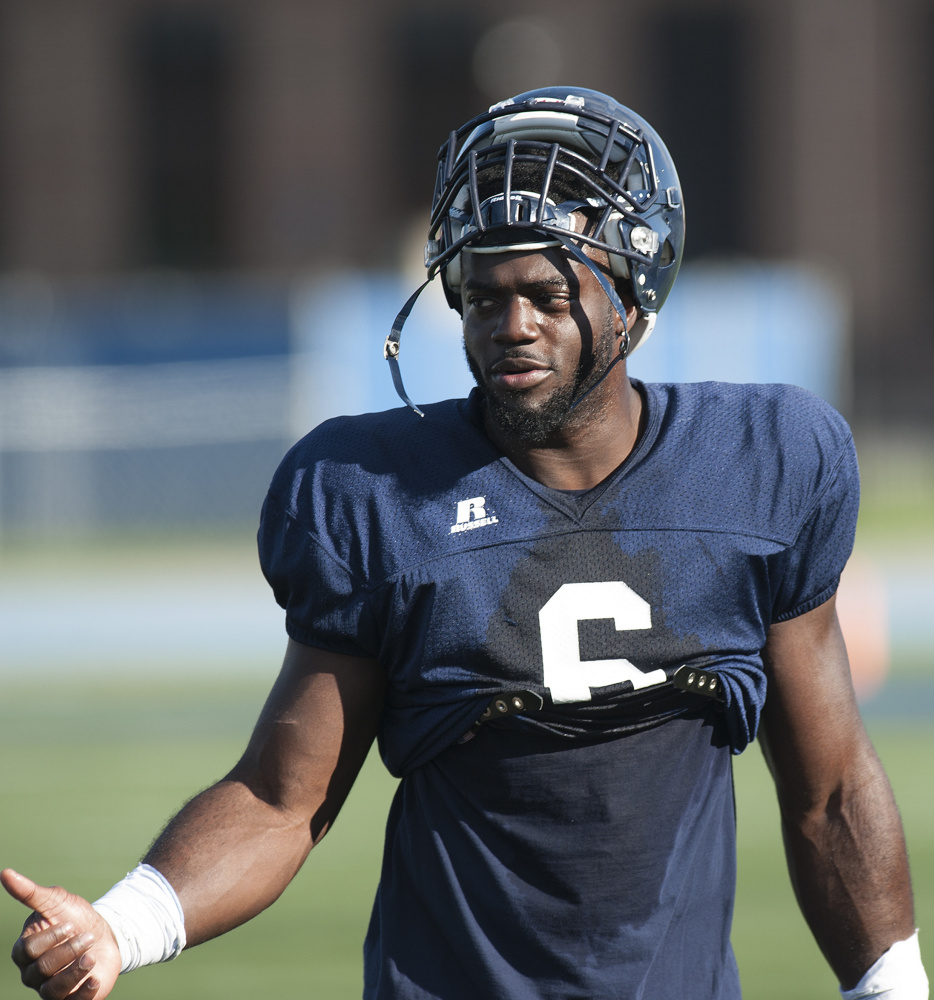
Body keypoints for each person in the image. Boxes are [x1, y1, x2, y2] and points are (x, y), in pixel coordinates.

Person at [3, 86, 928, 1000]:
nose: (511, 327)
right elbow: (283, 799)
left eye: (544, 295)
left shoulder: (762, 463)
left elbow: (832, 786)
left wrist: (891, 986)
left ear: (634, 297)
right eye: (482, 298)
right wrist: (119, 926)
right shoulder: (374, 493)